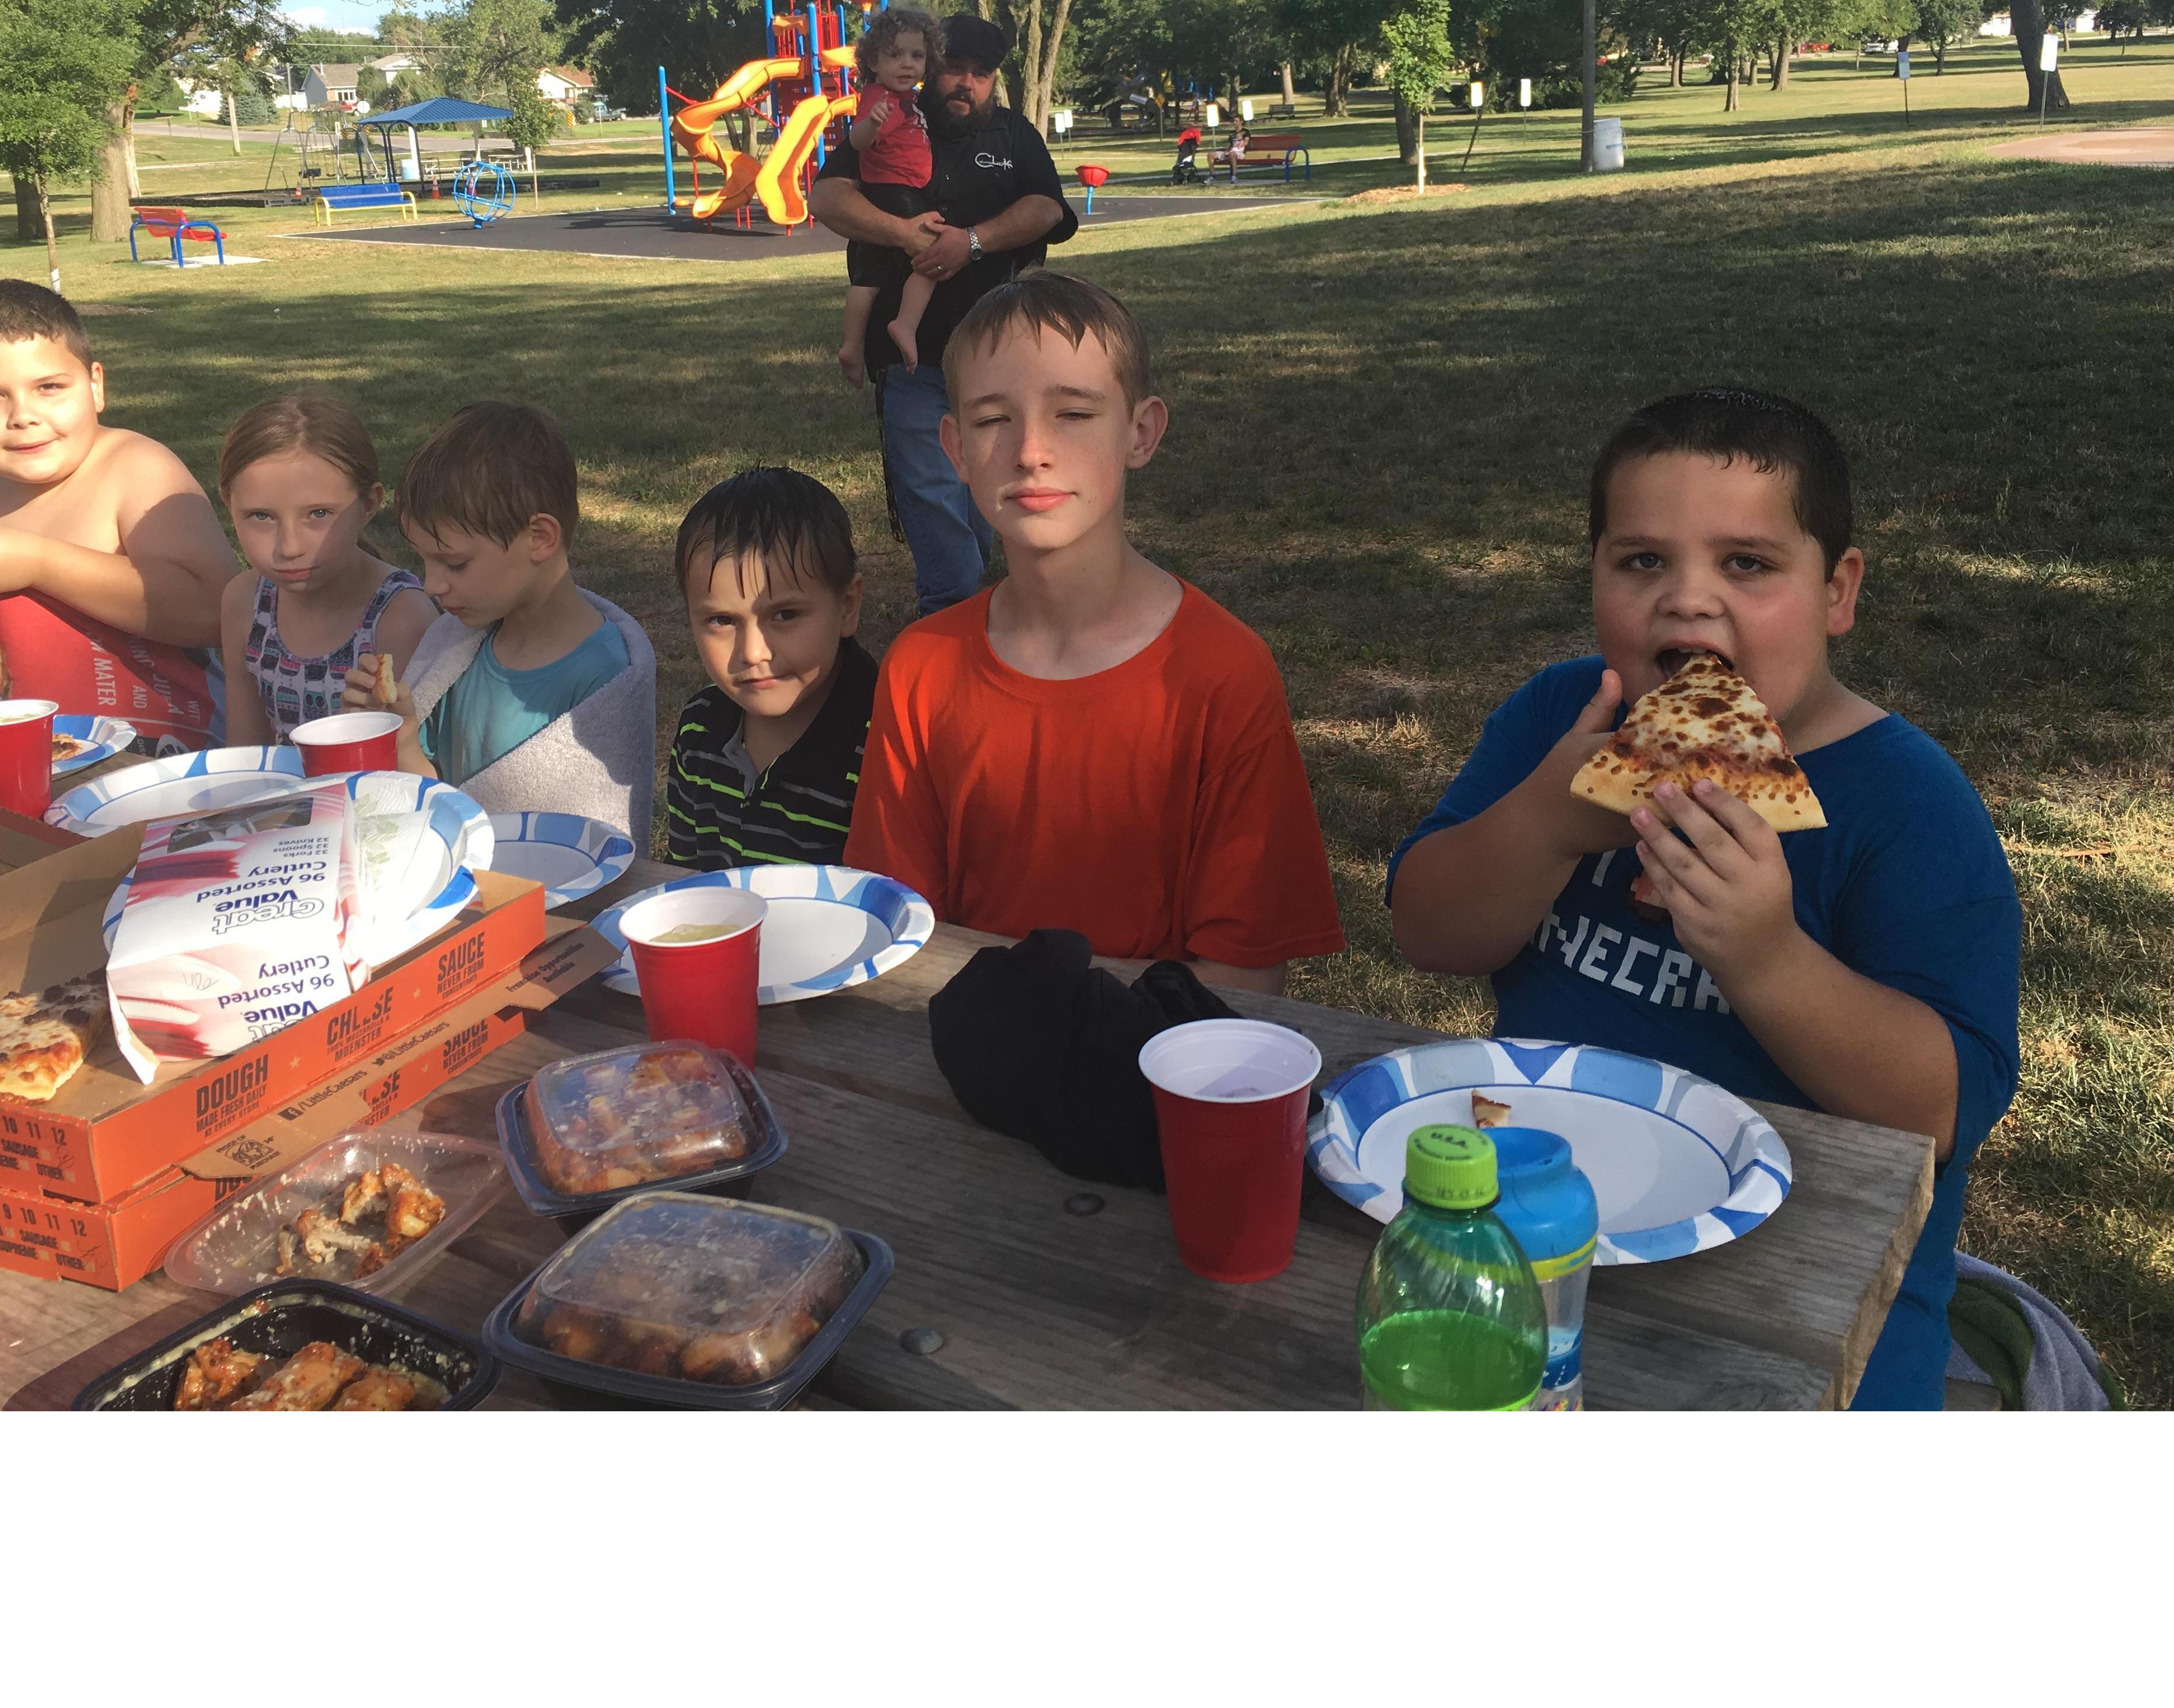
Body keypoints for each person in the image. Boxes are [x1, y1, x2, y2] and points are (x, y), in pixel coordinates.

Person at [1386, 387, 2021, 1411]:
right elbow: (1425, 927)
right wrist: (1546, 823)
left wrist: (1765, 955)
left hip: (1814, 1299)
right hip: (1541, 1247)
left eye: (1747, 564)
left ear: (1837, 591)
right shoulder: (1560, 722)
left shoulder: (1906, 804)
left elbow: (1943, 1109)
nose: (1686, 601)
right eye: (1642, 560)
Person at [845, 274, 1344, 989]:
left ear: (1140, 432)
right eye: (992, 420)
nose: (1030, 451)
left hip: (1160, 1072)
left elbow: (1245, 978)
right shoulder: (922, 666)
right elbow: (897, 935)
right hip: (961, 1059)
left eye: (1074, 413)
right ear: (954, 448)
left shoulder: (1223, 674)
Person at [0, 280, 237, 752]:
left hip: (154, 748)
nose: (23, 416)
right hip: (20, 739)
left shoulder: (136, 469)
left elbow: (217, 612)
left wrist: (41, 563)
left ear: (95, 386)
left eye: (49, 387)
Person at [809, 12, 1078, 615]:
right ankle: (953, 613)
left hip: (999, 360)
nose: (967, 84)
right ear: (931, 69)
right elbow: (827, 197)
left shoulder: (1012, 135)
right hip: (911, 362)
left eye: (981, 74)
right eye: (955, 69)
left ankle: (971, 606)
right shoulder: (894, 124)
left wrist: (975, 241)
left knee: (985, 491)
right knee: (930, 490)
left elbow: (1048, 209)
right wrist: (902, 233)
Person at [344, 400, 655, 846]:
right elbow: (433, 797)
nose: (432, 585)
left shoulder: (604, 678)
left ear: (540, 539)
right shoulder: (455, 647)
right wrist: (401, 736)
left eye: (454, 563)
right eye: (424, 561)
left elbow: (595, 843)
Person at [664, 467, 876, 871]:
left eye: (785, 614)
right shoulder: (699, 729)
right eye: (722, 621)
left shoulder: (880, 747)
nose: (754, 652)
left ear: (847, 606)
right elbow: (683, 882)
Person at [217, 393, 435, 746]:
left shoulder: (402, 619)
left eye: (319, 514)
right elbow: (245, 754)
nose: (289, 547)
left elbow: (419, 768)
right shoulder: (245, 603)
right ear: (230, 504)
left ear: (368, 504)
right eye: (261, 516)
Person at [834, 6, 945, 385]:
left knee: (870, 278)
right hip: (893, 192)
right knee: (935, 255)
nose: (907, 64)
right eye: (895, 55)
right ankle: (905, 325)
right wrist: (872, 123)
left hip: (900, 191)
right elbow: (858, 142)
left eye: (916, 56)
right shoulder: (880, 98)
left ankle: (852, 345)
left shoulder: (909, 98)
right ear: (873, 62)